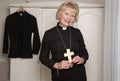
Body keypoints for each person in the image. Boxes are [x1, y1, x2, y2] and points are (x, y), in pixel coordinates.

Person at [39, 1, 89, 81]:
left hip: (79, 74)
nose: (69, 18)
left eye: (72, 16)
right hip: (60, 75)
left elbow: (85, 54)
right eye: (66, 14)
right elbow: (43, 57)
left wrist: (81, 59)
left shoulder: (77, 32)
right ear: (59, 14)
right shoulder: (49, 34)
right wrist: (57, 65)